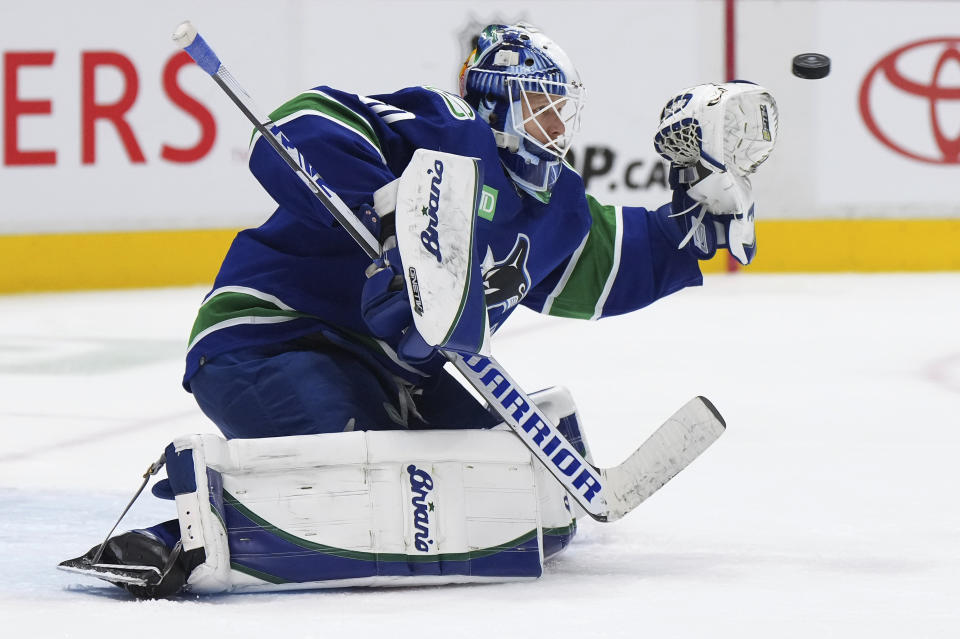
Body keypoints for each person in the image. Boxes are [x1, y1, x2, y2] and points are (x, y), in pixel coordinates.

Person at [61, 22, 774, 598]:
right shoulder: (448, 128)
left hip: (391, 372)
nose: (556, 121)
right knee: (354, 453)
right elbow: (305, 119)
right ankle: (179, 531)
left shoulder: (553, 201)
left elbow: (604, 261)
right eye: (541, 100)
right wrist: (386, 206)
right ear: (497, 99)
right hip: (272, 334)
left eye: (562, 105)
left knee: (499, 462)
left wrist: (691, 224)